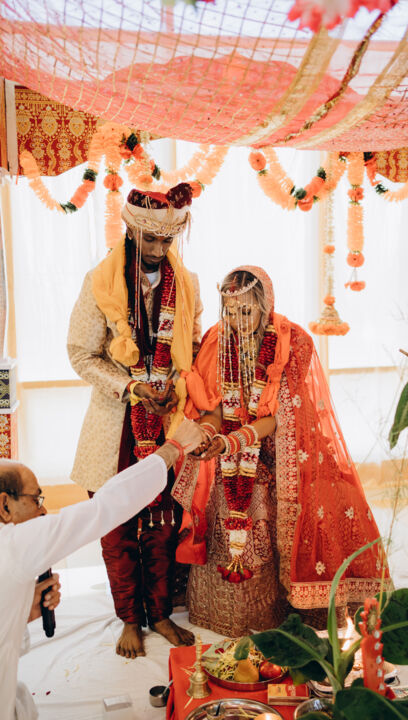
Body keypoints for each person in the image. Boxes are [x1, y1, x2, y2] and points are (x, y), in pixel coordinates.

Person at [172, 266, 390, 637]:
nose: (237, 321)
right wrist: (210, 436)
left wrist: (232, 441)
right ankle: (230, 613)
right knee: (226, 496)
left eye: (246, 311)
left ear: (265, 305)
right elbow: (213, 406)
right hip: (232, 449)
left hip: (285, 448)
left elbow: (278, 418)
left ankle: (292, 608)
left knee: (308, 499)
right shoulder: (216, 340)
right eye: (229, 312)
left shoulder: (292, 342)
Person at [67, 183, 203, 658]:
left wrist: (172, 386)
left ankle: (160, 613)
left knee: (164, 519)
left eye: (168, 240)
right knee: (116, 521)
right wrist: (130, 387)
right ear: (130, 230)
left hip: (166, 417)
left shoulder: (187, 283)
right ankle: (129, 617)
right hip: (115, 422)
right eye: (151, 239)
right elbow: (80, 355)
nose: (160, 250)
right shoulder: (100, 282)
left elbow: (194, 345)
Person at [0, 419, 204, 720]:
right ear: (5, 506)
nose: (43, 511)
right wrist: (173, 448)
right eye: (36, 499)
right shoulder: (13, 544)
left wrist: (22, 609)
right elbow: (105, 508)